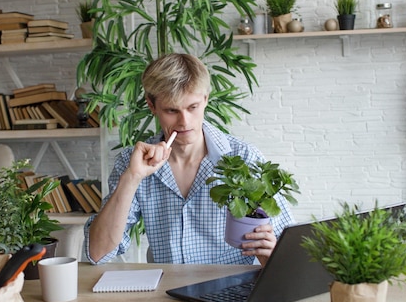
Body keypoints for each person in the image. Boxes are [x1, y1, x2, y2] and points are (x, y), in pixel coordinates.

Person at [84, 53, 294, 267]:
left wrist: (269, 255)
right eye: (172, 110)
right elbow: (98, 253)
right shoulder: (132, 162)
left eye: (192, 107)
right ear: (152, 105)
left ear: (205, 99)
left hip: (231, 289)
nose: (184, 121)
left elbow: (288, 257)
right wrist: (132, 177)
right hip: (165, 292)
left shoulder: (245, 158)